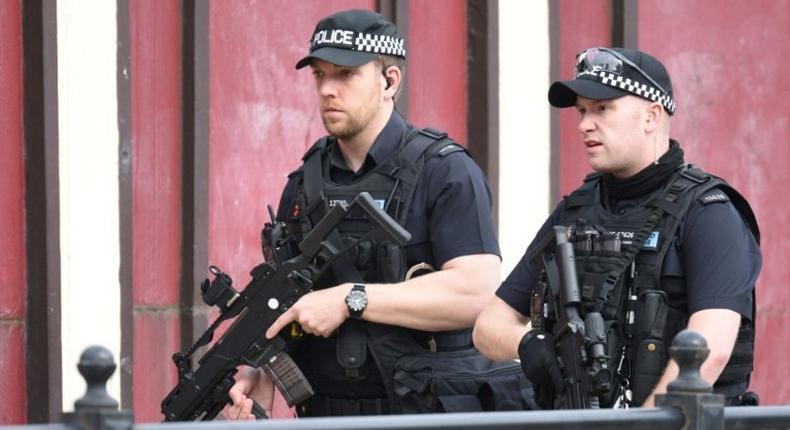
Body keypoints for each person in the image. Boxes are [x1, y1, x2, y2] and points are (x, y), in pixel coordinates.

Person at [223, 9, 504, 419]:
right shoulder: (303, 184)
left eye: (345, 74)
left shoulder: (445, 171)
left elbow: (476, 294)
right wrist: (258, 374)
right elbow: (284, 302)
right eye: (320, 75)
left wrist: (351, 299)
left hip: (426, 416)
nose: (327, 90)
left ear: (390, 81)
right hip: (326, 415)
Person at [473, 47, 761, 408]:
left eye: (602, 108)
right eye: (581, 111)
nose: (584, 125)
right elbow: (488, 326)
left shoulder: (708, 212)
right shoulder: (576, 209)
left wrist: (641, 424)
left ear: (652, 116)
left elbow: (709, 350)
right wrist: (527, 342)